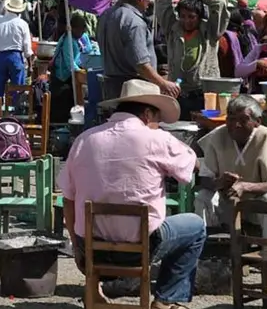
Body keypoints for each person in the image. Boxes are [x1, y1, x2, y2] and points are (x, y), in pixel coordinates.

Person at [59, 80, 203, 309]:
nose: (158, 125)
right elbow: (191, 164)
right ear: (147, 114)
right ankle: (165, 299)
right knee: (195, 227)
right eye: (157, 120)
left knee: (92, 214)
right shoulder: (156, 139)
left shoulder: (84, 140)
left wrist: (77, 246)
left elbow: (67, 198)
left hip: (92, 251)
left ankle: (93, 290)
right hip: (141, 249)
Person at [194, 95, 267, 242]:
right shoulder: (218, 136)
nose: (236, 125)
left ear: (257, 122)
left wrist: (245, 187)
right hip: (228, 202)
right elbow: (205, 177)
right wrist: (219, 183)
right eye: (231, 119)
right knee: (203, 197)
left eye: (243, 120)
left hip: (258, 203)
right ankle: (207, 252)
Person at [97, 0, 179, 102]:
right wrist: (163, 83)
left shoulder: (106, 15)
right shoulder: (133, 21)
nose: (149, 2)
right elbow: (141, 65)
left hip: (110, 89)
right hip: (133, 91)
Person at [155, 0, 229, 118]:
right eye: (182, 16)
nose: (186, 21)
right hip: (179, 94)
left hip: (205, 95)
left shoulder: (210, 32)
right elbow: (162, 6)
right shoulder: (173, 29)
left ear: (199, 17)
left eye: (191, 17)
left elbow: (219, 4)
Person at [0, 0, 33, 100]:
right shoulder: (23, 24)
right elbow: (27, 47)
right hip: (15, 57)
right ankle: (15, 112)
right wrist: (30, 65)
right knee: (17, 89)